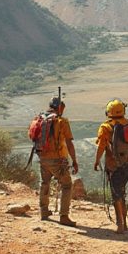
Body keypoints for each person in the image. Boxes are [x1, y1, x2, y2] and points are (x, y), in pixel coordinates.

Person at [93, 99, 128, 234]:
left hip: (114, 166)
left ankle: (120, 224)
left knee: (116, 194)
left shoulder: (105, 127)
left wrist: (97, 161)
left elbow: (101, 146)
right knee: (123, 192)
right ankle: (125, 222)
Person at [37, 95, 79, 226]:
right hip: (58, 159)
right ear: (60, 108)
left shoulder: (40, 119)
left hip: (43, 157)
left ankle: (44, 212)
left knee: (45, 183)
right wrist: (74, 160)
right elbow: (69, 143)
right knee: (67, 185)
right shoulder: (62, 121)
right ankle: (64, 216)